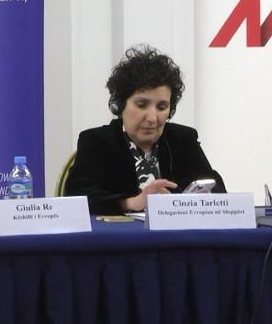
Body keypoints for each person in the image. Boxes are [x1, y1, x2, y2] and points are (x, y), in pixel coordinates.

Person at [65, 44, 226, 215]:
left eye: (162, 107)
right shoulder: (96, 141)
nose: (152, 118)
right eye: (141, 105)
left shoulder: (183, 139)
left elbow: (216, 188)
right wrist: (131, 202)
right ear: (120, 105)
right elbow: (76, 196)